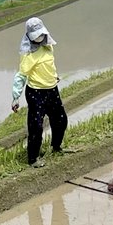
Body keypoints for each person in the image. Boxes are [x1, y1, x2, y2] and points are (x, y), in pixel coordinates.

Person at [11, 16, 68, 168]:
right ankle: (33, 158)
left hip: (52, 89)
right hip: (36, 93)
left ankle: (56, 147)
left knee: (61, 120)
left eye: (41, 34)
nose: (39, 37)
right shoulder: (27, 54)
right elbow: (21, 76)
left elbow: (49, 65)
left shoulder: (48, 46)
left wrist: (54, 76)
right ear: (29, 36)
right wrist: (15, 97)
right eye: (36, 35)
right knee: (36, 126)